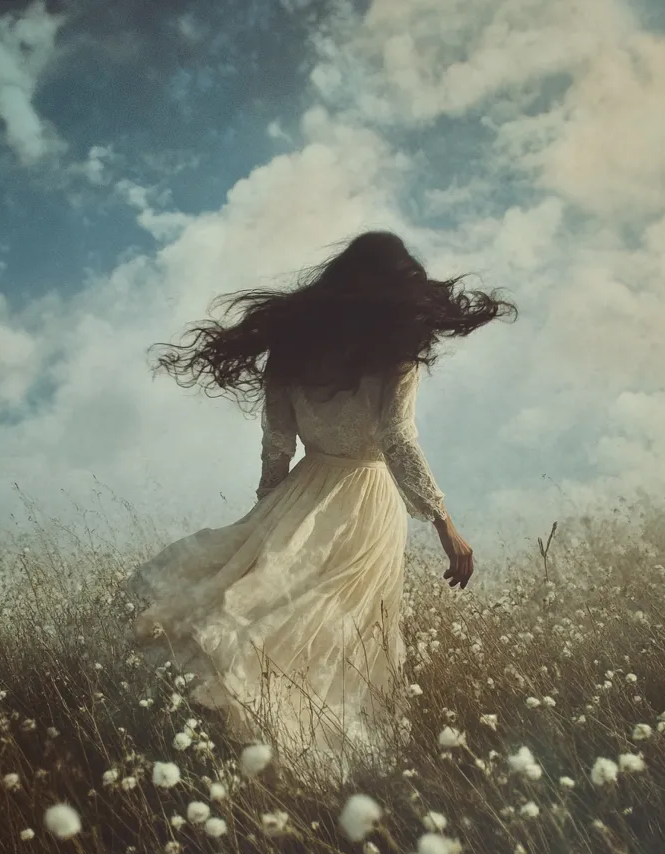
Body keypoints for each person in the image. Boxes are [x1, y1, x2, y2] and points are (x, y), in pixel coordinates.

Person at [124, 231, 517, 765]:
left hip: (302, 490)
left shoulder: (291, 348)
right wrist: (443, 522)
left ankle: (249, 729)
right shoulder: (396, 354)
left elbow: (277, 442)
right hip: (368, 502)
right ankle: (308, 749)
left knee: (277, 602)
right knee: (342, 626)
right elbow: (397, 439)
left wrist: (265, 508)